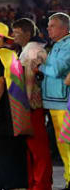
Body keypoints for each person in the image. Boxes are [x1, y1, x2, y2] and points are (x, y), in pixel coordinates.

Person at [0, 22, 31, 190]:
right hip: (15, 112)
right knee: (15, 152)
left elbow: (0, 81)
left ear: (0, 37)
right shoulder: (12, 54)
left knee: (2, 154)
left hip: (2, 111)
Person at [12, 18, 51, 190]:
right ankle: (35, 182)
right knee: (31, 147)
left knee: (38, 147)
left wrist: (26, 103)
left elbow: (33, 80)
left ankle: (41, 184)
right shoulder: (27, 50)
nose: (13, 36)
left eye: (17, 33)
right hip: (28, 104)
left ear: (28, 33)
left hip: (33, 105)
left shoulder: (34, 51)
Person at [36, 12, 70, 188]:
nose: (48, 29)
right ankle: (68, 178)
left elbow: (56, 70)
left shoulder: (68, 45)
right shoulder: (57, 45)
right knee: (62, 143)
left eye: (52, 26)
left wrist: (40, 64)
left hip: (64, 103)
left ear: (64, 28)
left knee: (67, 143)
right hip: (54, 101)